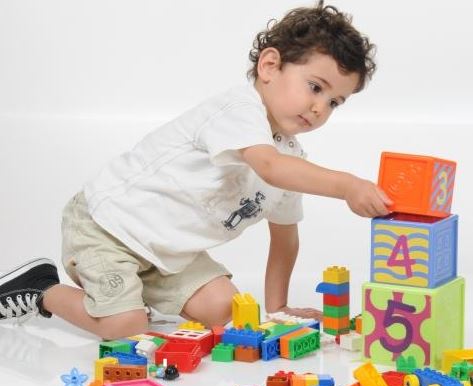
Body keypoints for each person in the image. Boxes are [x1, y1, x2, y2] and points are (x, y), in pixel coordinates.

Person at [0, 1, 391, 339]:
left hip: (168, 254)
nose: (320, 108)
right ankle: (41, 289)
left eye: (335, 102)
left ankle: (130, 294)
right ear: (270, 66)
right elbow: (269, 167)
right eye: (316, 87)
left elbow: (285, 239)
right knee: (125, 327)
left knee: (228, 312)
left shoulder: (292, 161)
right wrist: (347, 185)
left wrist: (279, 309)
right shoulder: (239, 110)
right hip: (108, 228)